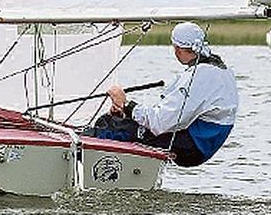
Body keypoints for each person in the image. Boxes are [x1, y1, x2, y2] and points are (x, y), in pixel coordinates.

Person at [88, 22, 238, 167]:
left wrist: (126, 104)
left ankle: (98, 174)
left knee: (109, 125)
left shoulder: (199, 76)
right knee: (120, 121)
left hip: (194, 146)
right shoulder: (221, 69)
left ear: (177, 49)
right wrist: (127, 113)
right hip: (203, 141)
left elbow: (160, 122)